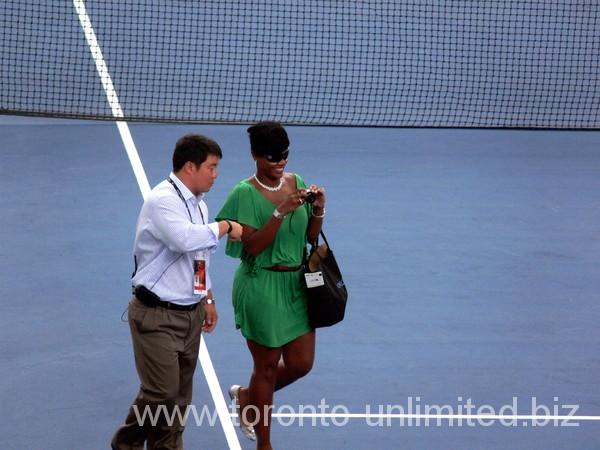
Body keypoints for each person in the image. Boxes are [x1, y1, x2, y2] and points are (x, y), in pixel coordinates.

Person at [111, 134, 243, 450]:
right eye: (211, 168)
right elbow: (184, 240)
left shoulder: (199, 205)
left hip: (191, 314)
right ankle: (126, 442)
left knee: (179, 400)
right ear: (189, 166)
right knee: (161, 393)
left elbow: (198, 257)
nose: (215, 175)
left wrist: (207, 298)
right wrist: (225, 226)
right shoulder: (163, 200)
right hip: (156, 316)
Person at [215, 121, 326, 449]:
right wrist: (280, 212)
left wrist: (318, 209)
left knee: (301, 363)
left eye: (285, 156)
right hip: (260, 286)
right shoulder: (244, 193)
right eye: (272, 157)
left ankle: (247, 396)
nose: (280, 162)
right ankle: (264, 444)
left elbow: (309, 237)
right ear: (254, 156)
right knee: (264, 367)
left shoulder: (297, 181)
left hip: (296, 286)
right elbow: (252, 246)